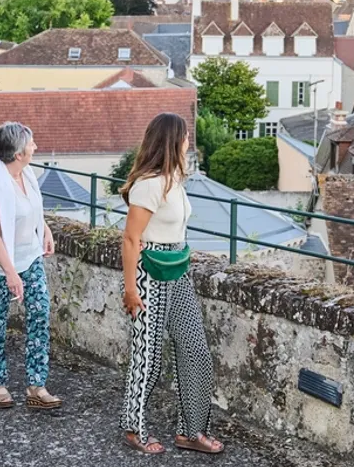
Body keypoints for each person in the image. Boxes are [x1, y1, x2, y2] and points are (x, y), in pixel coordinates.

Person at [118, 113, 223, 455]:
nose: (188, 142)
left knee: (195, 351)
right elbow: (131, 239)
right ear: (172, 141)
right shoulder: (148, 184)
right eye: (185, 137)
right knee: (148, 359)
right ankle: (134, 428)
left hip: (177, 271)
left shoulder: (174, 179)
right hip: (150, 273)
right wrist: (131, 289)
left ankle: (190, 432)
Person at [0, 122, 60, 410]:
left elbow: (33, 207)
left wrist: (44, 230)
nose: (35, 147)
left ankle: (36, 385)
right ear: (19, 152)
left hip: (30, 257)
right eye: (31, 144)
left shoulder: (27, 174)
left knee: (39, 313)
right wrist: (10, 272)